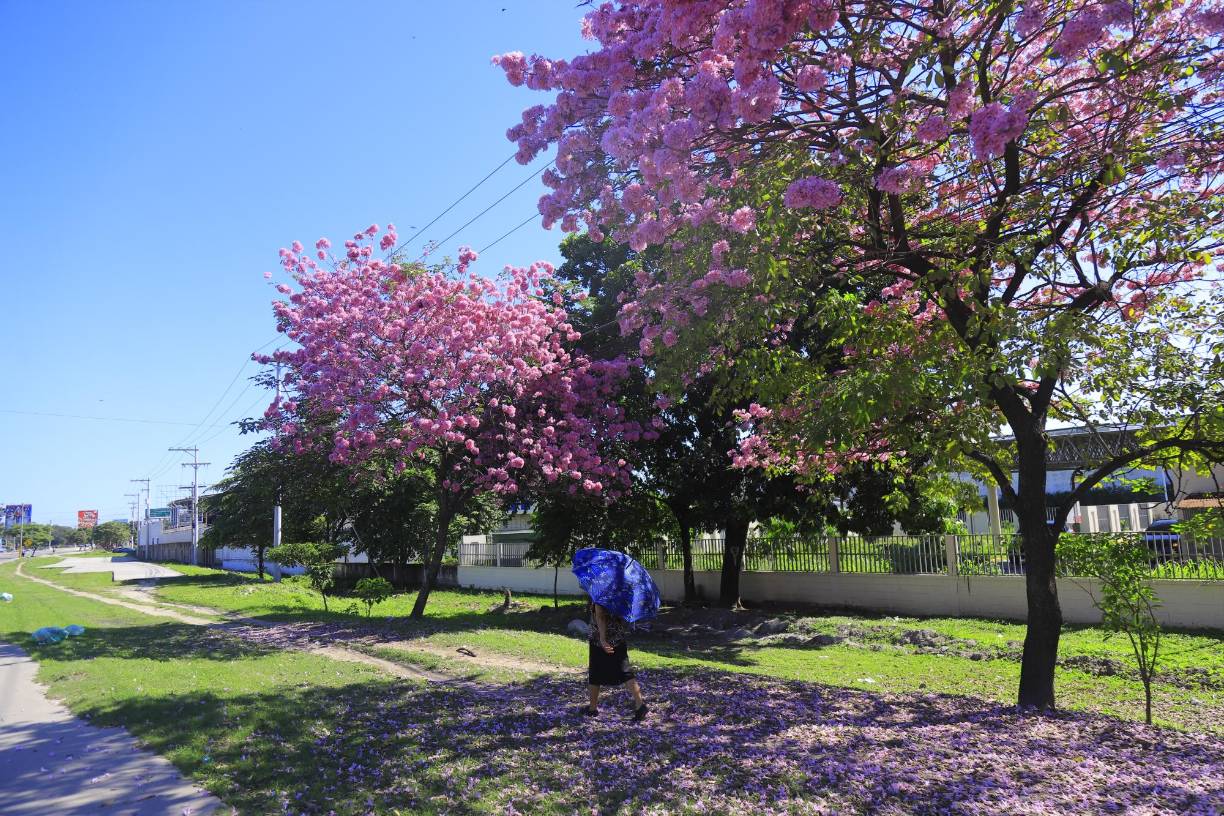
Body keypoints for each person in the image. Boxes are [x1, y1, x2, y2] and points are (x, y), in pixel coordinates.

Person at [584, 601, 648, 721]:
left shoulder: (602, 594)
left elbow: (600, 616)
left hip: (600, 641)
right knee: (626, 672)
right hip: (618, 638)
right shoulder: (621, 594)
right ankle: (640, 705)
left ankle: (592, 709)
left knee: (595, 673)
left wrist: (603, 640)